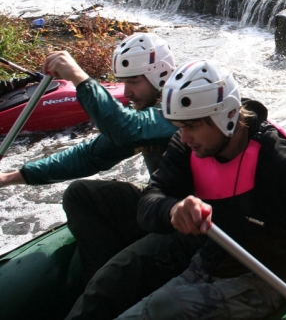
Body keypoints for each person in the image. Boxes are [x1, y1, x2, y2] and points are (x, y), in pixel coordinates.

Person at [103, 59, 286, 320]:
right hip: (207, 265)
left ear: (225, 115)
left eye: (192, 126)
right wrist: (173, 209)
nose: (183, 138)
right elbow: (149, 201)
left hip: (264, 283)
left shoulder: (277, 160)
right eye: (180, 127)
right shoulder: (187, 146)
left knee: (165, 306)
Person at [0, 33, 179, 286]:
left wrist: (78, 76)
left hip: (187, 220)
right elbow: (90, 155)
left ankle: (108, 286)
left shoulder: (180, 110)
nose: (127, 93)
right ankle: (100, 279)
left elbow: (126, 129)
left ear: (160, 76)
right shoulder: (145, 114)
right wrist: (10, 178)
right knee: (80, 193)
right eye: (123, 83)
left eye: (134, 82)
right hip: (159, 206)